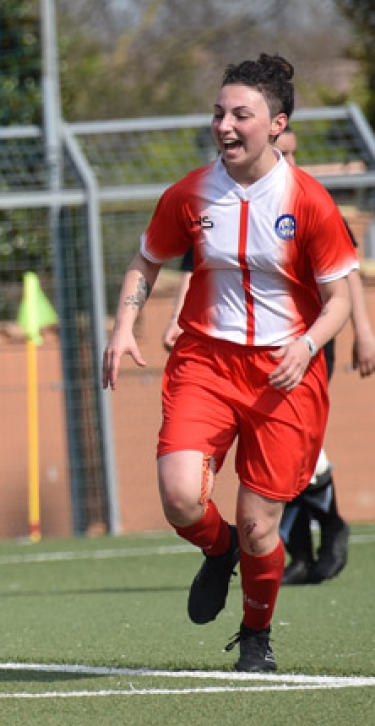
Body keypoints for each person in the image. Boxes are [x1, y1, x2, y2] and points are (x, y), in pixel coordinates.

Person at [102, 54, 357, 673]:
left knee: (260, 526)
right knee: (179, 496)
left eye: (241, 114)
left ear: (276, 124)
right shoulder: (189, 193)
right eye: (219, 113)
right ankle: (220, 553)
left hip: (283, 376)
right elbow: (146, 261)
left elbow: (340, 299)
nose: (225, 125)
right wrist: (121, 327)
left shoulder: (310, 201)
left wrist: (306, 344)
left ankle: (255, 637)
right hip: (206, 364)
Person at [162, 128, 375, 586]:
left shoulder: (306, 198)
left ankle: (329, 524)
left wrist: (364, 330)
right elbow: (194, 267)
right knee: (277, 458)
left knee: (297, 449)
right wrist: (178, 318)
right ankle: (297, 551)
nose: (287, 159)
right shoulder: (223, 200)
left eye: (294, 152)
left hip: (307, 339)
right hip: (236, 348)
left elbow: (345, 277)